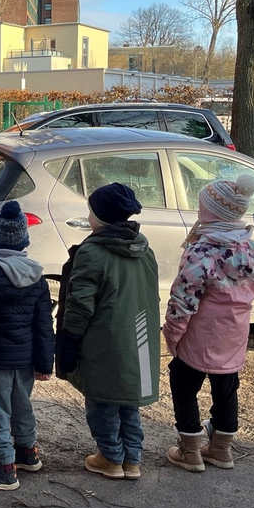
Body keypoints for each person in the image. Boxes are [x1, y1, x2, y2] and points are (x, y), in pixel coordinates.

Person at [56, 183, 159, 480]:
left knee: (101, 401)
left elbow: (80, 303)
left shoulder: (93, 252)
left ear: (99, 217)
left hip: (103, 339)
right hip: (138, 337)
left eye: (90, 211)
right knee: (128, 399)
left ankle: (110, 457)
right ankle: (132, 459)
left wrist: (69, 340)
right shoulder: (143, 247)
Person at [163, 175, 254, 472]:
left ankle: (190, 450)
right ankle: (221, 449)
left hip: (201, 335)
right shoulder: (251, 249)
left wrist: (173, 333)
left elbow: (183, 298)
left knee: (183, 384)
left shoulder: (202, 251)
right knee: (227, 388)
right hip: (235, 334)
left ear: (210, 212)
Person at [0, 201, 54, 491]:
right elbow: (45, 325)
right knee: (22, 404)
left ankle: (4, 467)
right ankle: (27, 452)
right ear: (24, 240)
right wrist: (45, 363)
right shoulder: (37, 278)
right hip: (26, 357)